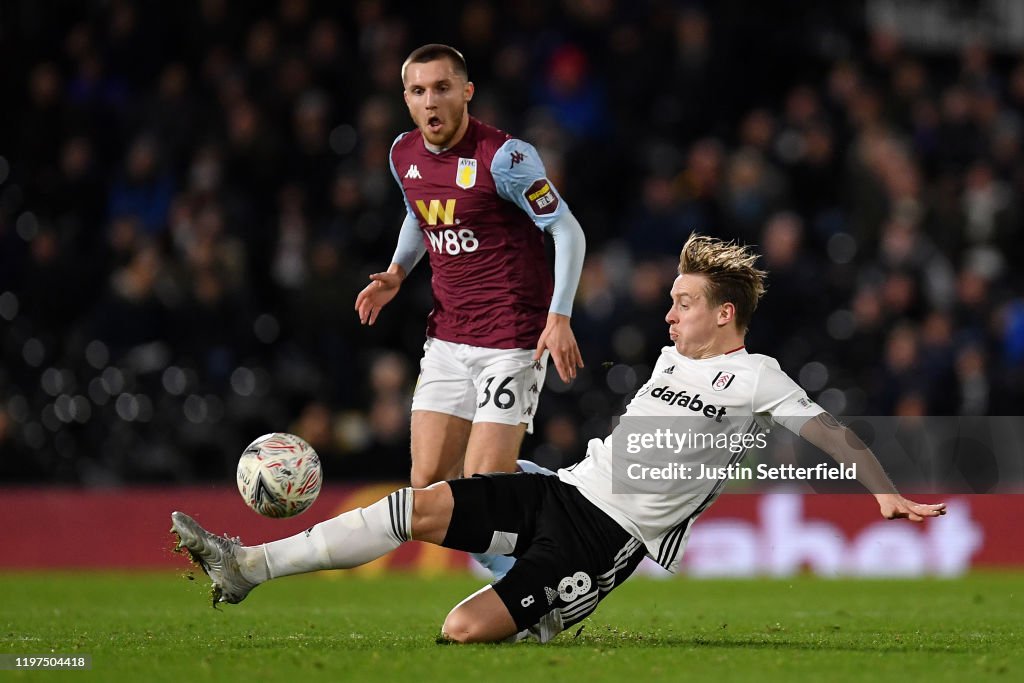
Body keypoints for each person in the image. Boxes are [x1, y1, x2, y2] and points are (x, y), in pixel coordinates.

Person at [173, 233, 946, 644]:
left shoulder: (759, 378)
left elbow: (834, 432)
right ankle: (249, 565)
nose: (668, 315)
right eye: (672, 301)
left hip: (603, 541)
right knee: (416, 505)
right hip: (566, 487)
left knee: (461, 629)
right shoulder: (675, 353)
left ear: (725, 315)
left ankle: (545, 615)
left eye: (683, 302)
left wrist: (882, 490)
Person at [353, 45, 585, 576]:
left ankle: (542, 565)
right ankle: (540, 542)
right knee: (429, 491)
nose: (430, 101)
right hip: (448, 339)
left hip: (513, 338)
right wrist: (397, 271)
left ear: (466, 92)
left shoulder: (506, 158)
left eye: (441, 88)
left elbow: (566, 230)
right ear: (406, 99)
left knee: (483, 490)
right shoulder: (402, 154)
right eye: (418, 91)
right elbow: (421, 212)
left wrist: (559, 315)